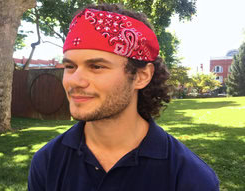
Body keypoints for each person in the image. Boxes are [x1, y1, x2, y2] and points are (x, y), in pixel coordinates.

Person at [28, 3, 219, 191]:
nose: (75, 81)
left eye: (96, 67)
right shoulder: (47, 162)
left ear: (141, 76)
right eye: (70, 66)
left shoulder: (190, 178)